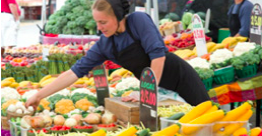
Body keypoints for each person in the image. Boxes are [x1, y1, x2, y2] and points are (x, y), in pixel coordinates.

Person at [26, 0, 210, 109]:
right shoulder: (105, 44)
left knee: (202, 122)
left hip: (180, 80)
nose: (99, 28)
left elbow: (158, 56)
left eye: (103, 22)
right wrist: (39, 95)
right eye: (97, 22)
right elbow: (73, 73)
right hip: (155, 90)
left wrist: (146, 91)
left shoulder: (138, 21)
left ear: (118, 16)